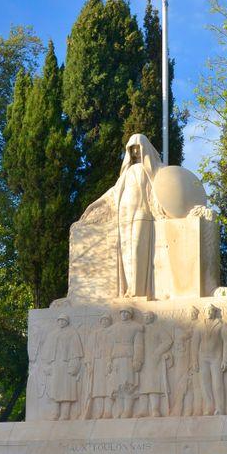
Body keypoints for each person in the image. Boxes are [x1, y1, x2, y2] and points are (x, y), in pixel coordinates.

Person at [80, 134, 164, 298]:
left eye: (137, 148)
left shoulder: (155, 170)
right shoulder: (128, 171)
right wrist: (94, 204)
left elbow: (165, 187)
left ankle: (138, 290)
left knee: (138, 249)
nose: (135, 153)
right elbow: (113, 193)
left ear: (144, 148)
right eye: (132, 149)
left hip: (142, 213)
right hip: (124, 214)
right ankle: (129, 289)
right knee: (126, 252)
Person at [194, 304, 227, 415]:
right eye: (207, 310)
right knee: (205, 384)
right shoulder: (200, 326)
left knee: (217, 383)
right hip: (203, 358)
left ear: (215, 312)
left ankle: (220, 408)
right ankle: (208, 407)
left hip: (216, 358)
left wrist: (226, 360)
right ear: (205, 312)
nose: (209, 312)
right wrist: (194, 361)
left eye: (211, 311)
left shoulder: (221, 325)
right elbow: (194, 344)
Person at [108, 307, 144, 418]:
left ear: (130, 314)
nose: (124, 314)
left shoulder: (135, 327)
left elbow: (139, 345)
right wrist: (109, 361)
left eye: (126, 312)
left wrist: (137, 360)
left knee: (128, 384)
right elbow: (110, 345)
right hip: (116, 358)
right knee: (117, 386)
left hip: (128, 357)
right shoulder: (114, 328)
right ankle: (119, 410)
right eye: (122, 312)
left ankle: (128, 410)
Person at [46, 315, 83, 420]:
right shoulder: (53, 335)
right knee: (54, 389)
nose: (61, 322)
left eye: (63, 320)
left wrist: (74, 365)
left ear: (67, 322)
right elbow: (47, 352)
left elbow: (76, 353)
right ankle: (55, 412)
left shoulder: (72, 333)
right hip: (56, 365)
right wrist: (47, 365)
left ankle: (65, 413)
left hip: (67, 365)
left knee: (67, 390)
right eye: (60, 320)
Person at [136, 311, 173, 417]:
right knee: (142, 386)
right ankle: (143, 410)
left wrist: (158, 352)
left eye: (149, 316)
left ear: (152, 318)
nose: (147, 318)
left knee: (153, 385)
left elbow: (168, 340)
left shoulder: (158, 329)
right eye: (145, 316)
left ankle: (155, 409)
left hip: (153, 360)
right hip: (141, 360)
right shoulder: (140, 330)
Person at [84, 314, 114, 419]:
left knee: (108, 389)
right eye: (103, 320)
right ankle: (98, 411)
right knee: (97, 390)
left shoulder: (112, 332)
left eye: (107, 320)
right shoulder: (94, 334)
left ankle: (108, 411)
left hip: (108, 363)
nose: (105, 321)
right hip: (96, 364)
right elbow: (88, 350)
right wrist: (88, 364)